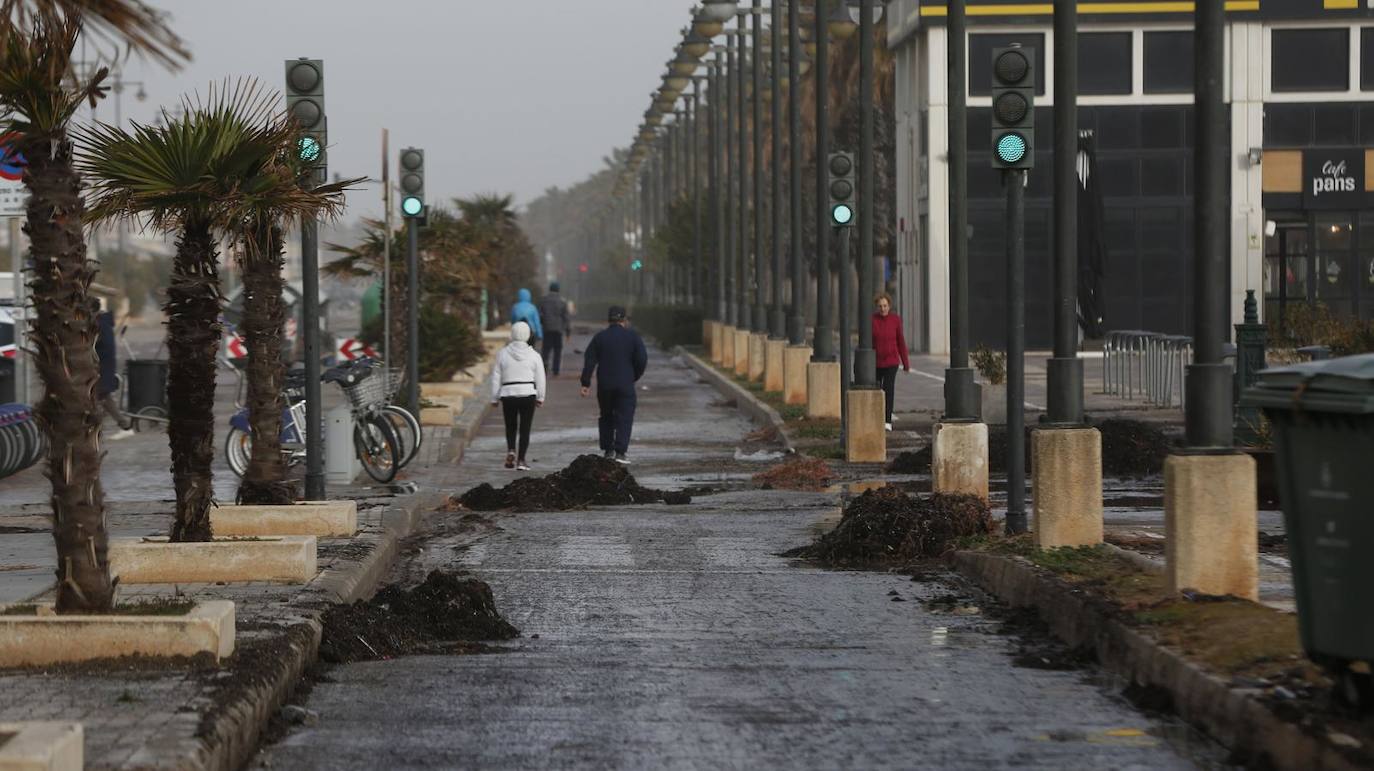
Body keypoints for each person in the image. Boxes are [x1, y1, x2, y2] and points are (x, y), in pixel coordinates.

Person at [580, 306, 647, 465]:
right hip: (625, 384)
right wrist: (634, 376)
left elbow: (589, 360)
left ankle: (608, 450)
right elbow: (642, 359)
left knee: (606, 415)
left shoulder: (600, 338)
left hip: (605, 385)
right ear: (624, 320)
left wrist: (585, 382)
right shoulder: (633, 337)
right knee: (625, 417)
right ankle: (621, 452)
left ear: (609, 320)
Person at [490, 321, 546, 472]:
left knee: (511, 426)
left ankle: (510, 450)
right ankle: (521, 460)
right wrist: (540, 397)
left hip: (508, 394)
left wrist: (494, 398)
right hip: (528, 393)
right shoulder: (534, 355)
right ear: (528, 335)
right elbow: (540, 378)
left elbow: (496, 377)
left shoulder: (502, 353)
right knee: (525, 428)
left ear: (512, 334)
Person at [871, 293, 910, 432]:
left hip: (891, 362)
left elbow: (901, 342)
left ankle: (887, 420)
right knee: (876, 391)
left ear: (889, 306)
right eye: (880, 306)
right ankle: (876, 418)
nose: (883, 309)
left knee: (888, 390)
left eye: (885, 306)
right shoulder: (872, 320)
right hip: (875, 363)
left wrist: (905, 363)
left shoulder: (895, 320)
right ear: (877, 307)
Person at [94, 302, 133, 435]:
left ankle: (123, 425)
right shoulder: (104, 323)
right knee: (103, 397)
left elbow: (96, 344)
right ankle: (124, 424)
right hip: (105, 367)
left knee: (98, 396)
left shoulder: (100, 325)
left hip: (102, 368)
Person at [537, 281, 571, 377]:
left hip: (547, 329)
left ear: (550, 289)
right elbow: (566, 318)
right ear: (558, 290)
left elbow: (539, 314)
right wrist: (568, 332)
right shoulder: (562, 302)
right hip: (558, 329)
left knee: (546, 349)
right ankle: (555, 370)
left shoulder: (543, 300)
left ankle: (544, 367)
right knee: (557, 350)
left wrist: (542, 323)